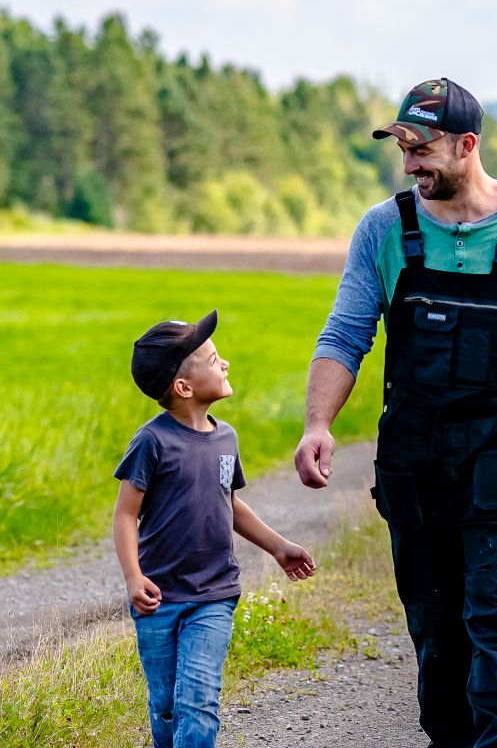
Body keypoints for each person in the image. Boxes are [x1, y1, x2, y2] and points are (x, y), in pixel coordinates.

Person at [295, 78, 497, 747]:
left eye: (421, 147)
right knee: (437, 633)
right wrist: (317, 424)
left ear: (468, 145)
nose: (409, 163)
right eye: (402, 149)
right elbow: (345, 335)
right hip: (415, 458)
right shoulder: (385, 229)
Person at [113, 310, 318, 748]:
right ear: (182, 388)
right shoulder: (152, 442)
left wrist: (278, 546)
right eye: (212, 359)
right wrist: (133, 577)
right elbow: (126, 514)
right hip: (159, 599)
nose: (224, 364)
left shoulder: (226, 438)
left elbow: (229, 503)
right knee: (166, 705)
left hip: (214, 594)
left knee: (199, 702)